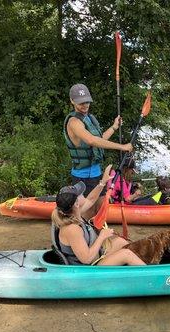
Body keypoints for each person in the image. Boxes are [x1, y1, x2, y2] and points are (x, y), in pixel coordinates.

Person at [51, 164, 145, 266]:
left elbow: (91, 199)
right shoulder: (72, 229)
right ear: (77, 204)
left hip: (95, 258)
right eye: (81, 194)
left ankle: (141, 264)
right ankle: (151, 275)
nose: (84, 195)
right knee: (126, 254)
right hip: (87, 269)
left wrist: (103, 182)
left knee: (121, 242)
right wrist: (102, 236)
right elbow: (86, 259)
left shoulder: (74, 212)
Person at [62, 83, 133, 212]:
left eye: (86, 101)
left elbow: (100, 139)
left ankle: (98, 231)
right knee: (87, 214)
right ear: (72, 101)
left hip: (97, 174)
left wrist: (114, 127)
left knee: (101, 211)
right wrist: (122, 147)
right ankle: (83, 231)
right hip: (82, 177)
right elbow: (91, 140)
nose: (84, 105)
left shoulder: (88, 118)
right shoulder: (74, 122)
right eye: (80, 102)